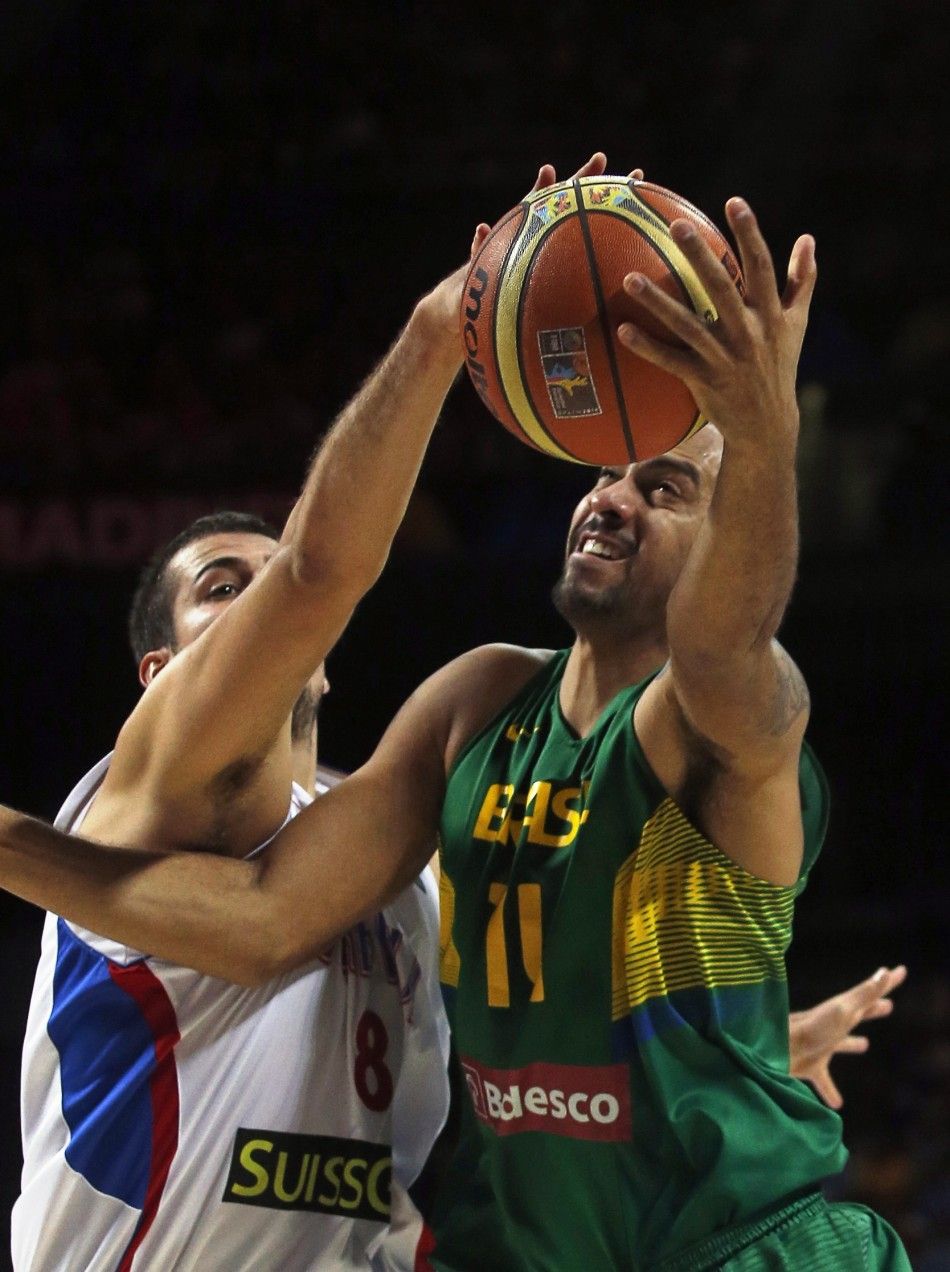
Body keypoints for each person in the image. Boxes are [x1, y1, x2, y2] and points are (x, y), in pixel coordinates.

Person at [0, 191, 912, 1269]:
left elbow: (719, 649)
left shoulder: (716, 722)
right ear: (155, 672)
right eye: (601, 473)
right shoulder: (466, 711)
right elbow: (265, 914)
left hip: (724, 1247)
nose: (607, 499)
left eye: (661, 486)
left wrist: (731, 1065)